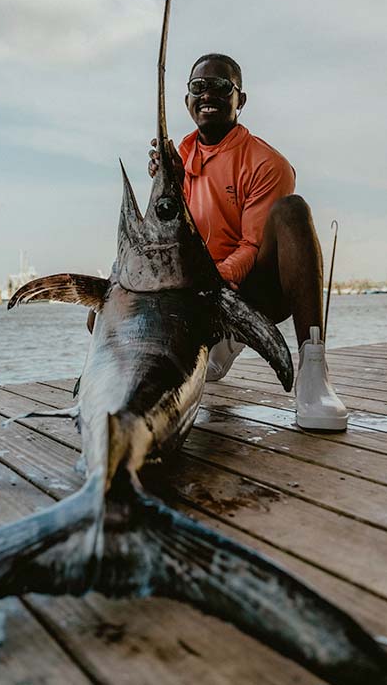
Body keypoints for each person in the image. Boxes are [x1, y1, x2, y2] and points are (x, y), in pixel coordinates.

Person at [148, 53, 348, 431]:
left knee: (292, 210)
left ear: (241, 100)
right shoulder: (178, 159)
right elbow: (169, 243)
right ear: (187, 99)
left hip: (246, 293)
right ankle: (188, 357)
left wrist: (205, 290)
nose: (208, 93)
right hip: (192, 300)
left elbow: (251, 248)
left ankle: (313, 373)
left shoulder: (266, 162)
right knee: (101, 315)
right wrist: (167, 186)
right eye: (198, 86)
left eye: (222, 87)